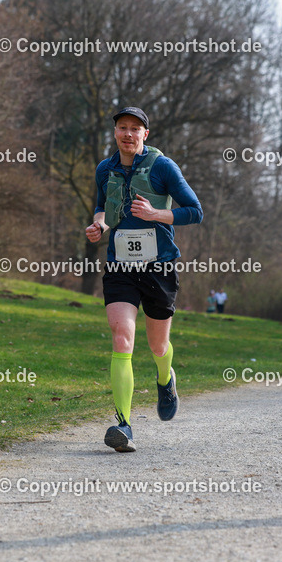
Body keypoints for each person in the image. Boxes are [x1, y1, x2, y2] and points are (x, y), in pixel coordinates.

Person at [85, 106, 203, 452]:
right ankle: (123, 425)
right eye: (122, 127)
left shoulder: (163, 167)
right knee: (122, 337)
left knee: (157, 346)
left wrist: (156, 214)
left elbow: (195, 211)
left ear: (145, 135)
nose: (128, 133)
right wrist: (100, 225)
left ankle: (165, 378)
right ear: (115, 132)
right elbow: (103, 206)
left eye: (135, 129)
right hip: (120, 265)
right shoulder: (104, 169)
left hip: (158, 266)